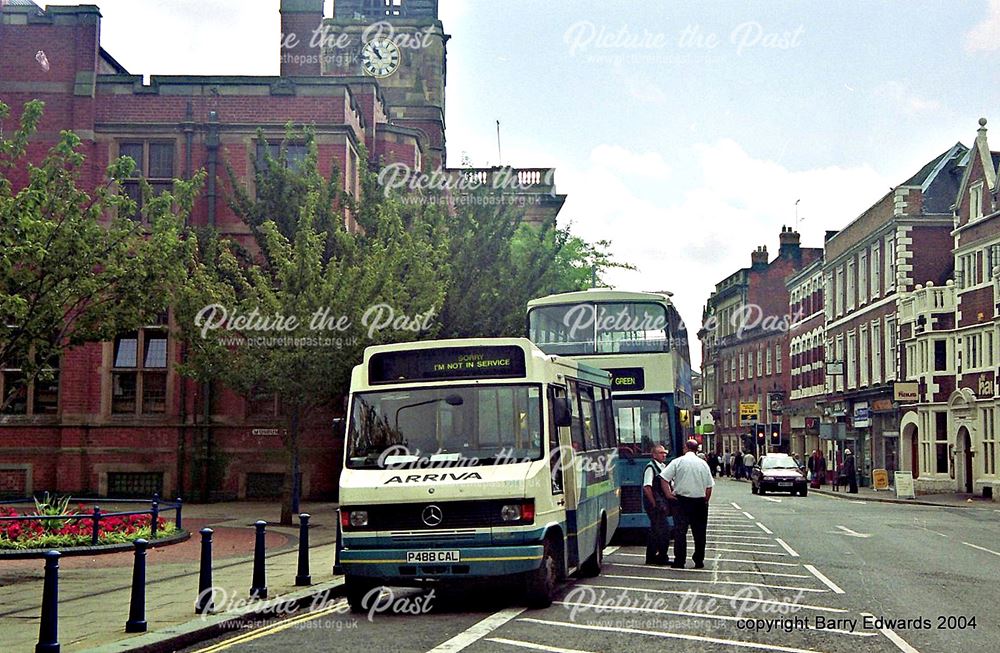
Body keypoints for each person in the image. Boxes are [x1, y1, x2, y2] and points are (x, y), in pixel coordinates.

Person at [659, 439, 714, 569]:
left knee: (680, 532)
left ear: (685, 448)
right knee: (700, 533)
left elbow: (663, 478)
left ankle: (680, 560)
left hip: (681, 501)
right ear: (697, 449)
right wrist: (705, 500)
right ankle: (699, 560)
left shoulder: (677, 462)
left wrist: (668, 494)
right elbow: (709, 486)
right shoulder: (703, 464)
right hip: (699, 501)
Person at [642, 444, 672, 565]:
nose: (664, 455)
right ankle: (661, 556)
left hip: (660, 503)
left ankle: (652, 556)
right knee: (663, 530)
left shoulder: (662, 466)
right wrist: (653, 503)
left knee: (655, 530)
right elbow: (647, 487)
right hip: (655, 505)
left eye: (665, 452)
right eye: (661, 453)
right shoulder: (651, 467)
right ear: (654, 455)